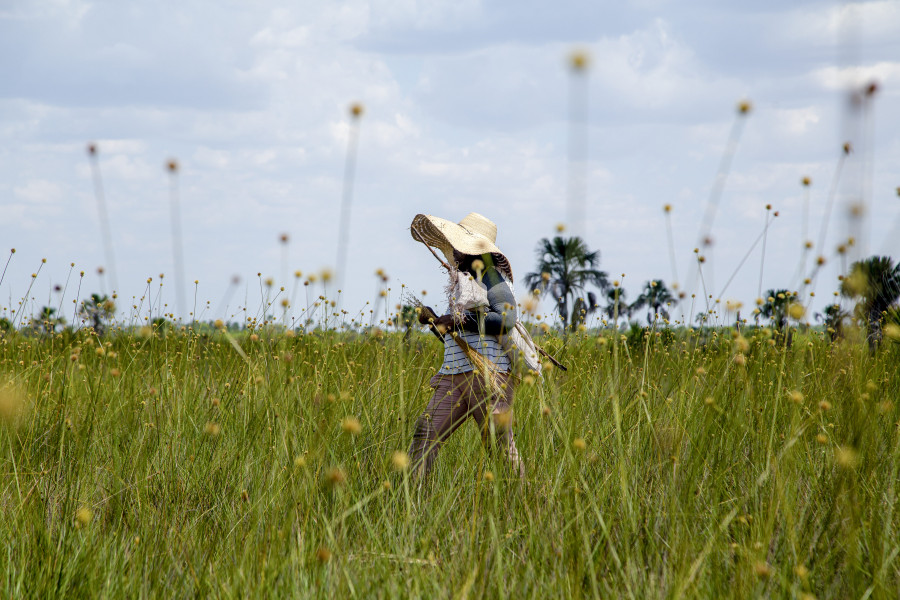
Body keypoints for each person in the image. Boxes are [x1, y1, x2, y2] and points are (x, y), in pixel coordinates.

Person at [407, 212, 524, 479]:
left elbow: (506, 319)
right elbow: (462, 339)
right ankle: (412, 504)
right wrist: (438, 323)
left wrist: (458, 319)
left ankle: (521, 504)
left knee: (501, 448)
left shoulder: (493, 278)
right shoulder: (464, 284)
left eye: (459, 246)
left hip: (488, 376)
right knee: (425, 433)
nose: (454, 252)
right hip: (452, 375)